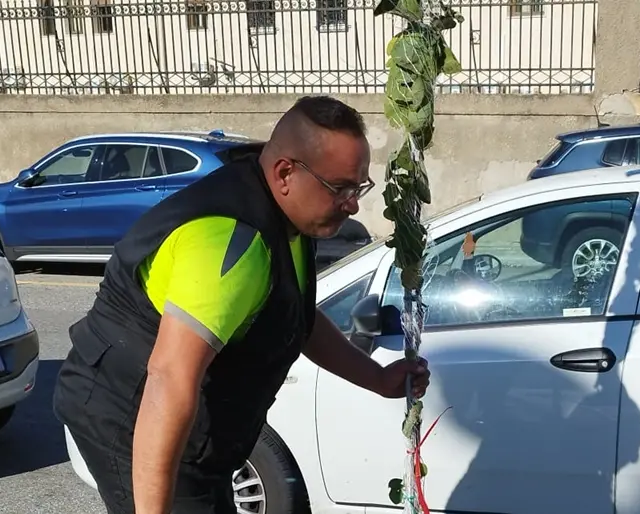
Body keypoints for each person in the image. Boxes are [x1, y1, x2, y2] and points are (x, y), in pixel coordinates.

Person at [52, 95, 432, 514]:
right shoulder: (232, 244)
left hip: (193, 432)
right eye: (339, 188)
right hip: (130, 419)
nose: (353, 204)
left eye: (358, 187)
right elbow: (169, 379)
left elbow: (295, 317)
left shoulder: (290, 215)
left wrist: (377, 378)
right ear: (285, 173)